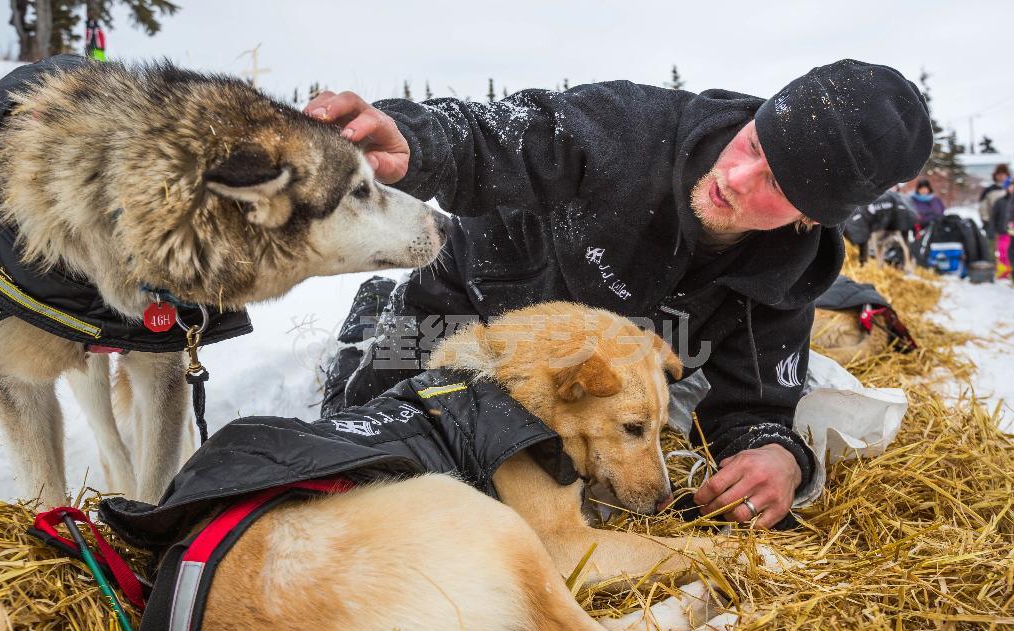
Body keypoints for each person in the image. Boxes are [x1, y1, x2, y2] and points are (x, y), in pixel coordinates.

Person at [306, 59, 932, 529]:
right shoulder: (629, 129)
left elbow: (754, 404)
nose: (733, 178)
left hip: (599, 375)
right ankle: (370, 318)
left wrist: (776, 455)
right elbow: (502, 135)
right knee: (361, 444)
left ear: (807, 218)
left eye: (773, 181)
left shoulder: (783, 274)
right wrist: (415, 139)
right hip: (468, 318)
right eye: (753, 144)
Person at [979, 164, 1010, 265]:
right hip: (992, 223)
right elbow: (983, 207)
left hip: (1008, 224)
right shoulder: (989, 190)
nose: (1001, 177)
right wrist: (986, 220)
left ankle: (1007, 268)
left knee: (1007, 248)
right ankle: (993, 267)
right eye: (999, 174)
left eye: (1003, 174)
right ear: (995, 175)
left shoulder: (1010, 189)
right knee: (991, 247)